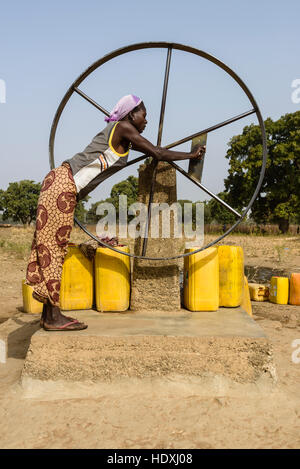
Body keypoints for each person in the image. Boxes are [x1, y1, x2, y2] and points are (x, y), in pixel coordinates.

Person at [26, 94, 206, 331]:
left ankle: (49, 315)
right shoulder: (122, 128)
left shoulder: (124, 135)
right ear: (132, 115)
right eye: (144, 115)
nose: (146, 121)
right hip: (63, 185)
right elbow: (157, 152)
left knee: (53, 246)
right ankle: (53, 316)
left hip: (62, 185)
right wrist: (190, 156)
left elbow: (153, 150)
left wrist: (159, 153)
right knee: (53, 249)